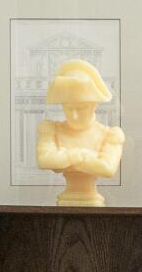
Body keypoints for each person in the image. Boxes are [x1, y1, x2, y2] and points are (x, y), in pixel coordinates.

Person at [34, 59, 125, 206]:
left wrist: (67, 156)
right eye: (69, 108)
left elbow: (107, 168)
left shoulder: (110, 135)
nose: (74, 115)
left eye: (81, 108)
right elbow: (45, 160)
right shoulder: (51, 131)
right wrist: (86, 157)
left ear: (94, 106)